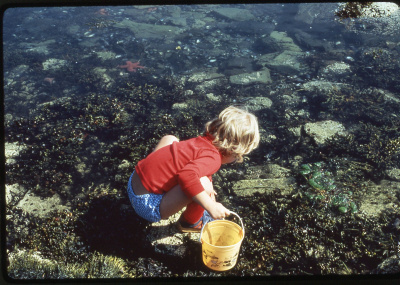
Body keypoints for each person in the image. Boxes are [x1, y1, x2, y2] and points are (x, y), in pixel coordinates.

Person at [127, 105, 260, 232]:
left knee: (170, 139)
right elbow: (186, 176)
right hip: (147, 205)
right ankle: (190, 223)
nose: (236, 159)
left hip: (133, 182)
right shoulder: (214, 159)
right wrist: (211, 206)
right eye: (237, 156)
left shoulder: (199, 141)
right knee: (203, 188)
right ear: (233, 150)